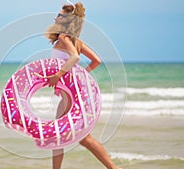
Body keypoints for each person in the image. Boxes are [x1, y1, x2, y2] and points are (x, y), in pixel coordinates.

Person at [45, 2, 122, 169]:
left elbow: (74, 58)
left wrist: (59, 75)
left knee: (60, 135)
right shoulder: (76, 40)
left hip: (70, 96)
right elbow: (96, 61)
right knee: (83, 138)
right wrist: (77, 76)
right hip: (73, 94)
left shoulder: (63, 38)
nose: (56, 17)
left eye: (59, 15)